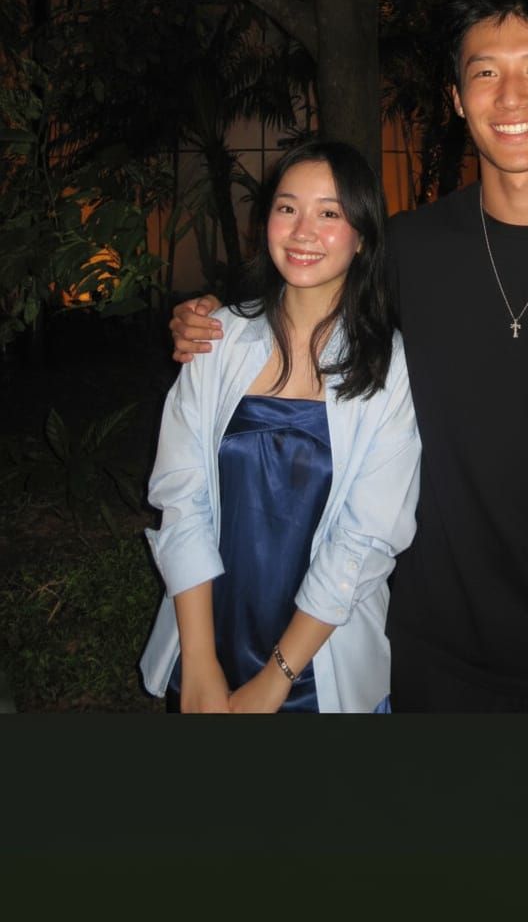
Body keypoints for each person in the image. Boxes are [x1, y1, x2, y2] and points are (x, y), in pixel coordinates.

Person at [169, 0, 528, 715]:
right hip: (431, 659)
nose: (511, 96)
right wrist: (206, 319)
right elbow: (296, 307)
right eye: (485, 73)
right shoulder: (406, 251)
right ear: (457, 99)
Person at [140, 138, 421, 713]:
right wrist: (200, 661)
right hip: (206, 631)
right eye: (287, 207)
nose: (302, 231)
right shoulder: (217, 339)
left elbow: (366, 537)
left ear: (363, 235)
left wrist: (277, 678)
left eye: (329, 213)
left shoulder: (389, 367)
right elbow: (182, 497)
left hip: (321, 655)